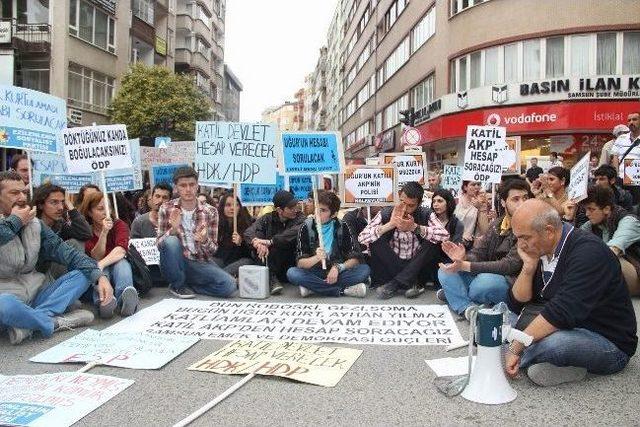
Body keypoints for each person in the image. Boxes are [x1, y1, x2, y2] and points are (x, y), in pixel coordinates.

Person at [505, 199, 637, 387]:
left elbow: (562, 311)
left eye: (525, 237)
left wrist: (516, 347)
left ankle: (500, 356)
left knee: (555, 344)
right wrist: (528, 267)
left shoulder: (589, 252)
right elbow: (516, 304)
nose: (521, 245)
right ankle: (563, 365)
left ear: (549, 231)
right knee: (508, 317)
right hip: (568, 326)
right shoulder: (544, 249)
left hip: (607, 342)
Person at [0, 171, 112, 345]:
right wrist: (15, 221)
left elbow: (67, 252)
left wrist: (100, 276)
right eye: (14, 193)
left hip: (36, 296)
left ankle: (30, 322)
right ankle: (55, 322)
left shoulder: (35, 224)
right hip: (6, 299)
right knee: (4, 304)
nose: (22, 197)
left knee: (83, 273)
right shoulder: (20, 220)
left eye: (23, 191)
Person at [438, 179, 529, 319]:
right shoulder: (498, 223)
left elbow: (510, 265)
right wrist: (463, 258)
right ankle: (467, 308)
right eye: (515, 199)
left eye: (525, 198)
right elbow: (479, 252)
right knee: (445, 270)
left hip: (510, 283)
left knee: (482, 284)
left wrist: (468, 265)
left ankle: (455, 293)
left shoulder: (530, 227)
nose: (522, 204)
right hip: (485, 274)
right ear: (504, 202)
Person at [359, 182, 449, 299]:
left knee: (433, 241)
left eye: (411, 205)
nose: (405, 208)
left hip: (417, 265)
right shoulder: (386, 213)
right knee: (374, 238)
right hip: (392, 265)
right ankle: (409, 282)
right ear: (398, 197)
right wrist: (391, 224)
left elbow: (445, 236)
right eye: (402, 202)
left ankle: (395, 284)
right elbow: (362, 237)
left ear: (419, 204)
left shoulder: (426, 213)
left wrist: (415, 228)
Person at [157, 166, 237, 299]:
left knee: (229, 286)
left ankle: (189, 285)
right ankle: (178, 284)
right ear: (176, 187)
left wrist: (204, 240)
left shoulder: (210, 211)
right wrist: (173, 230)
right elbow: (160, 245)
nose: (188, 189)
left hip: (199, 261)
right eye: (183, 185)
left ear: (197, 186)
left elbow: (212, 251)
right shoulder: (166, 208)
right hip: (176, 261)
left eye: (191, 185)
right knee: (171, 241)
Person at [287, 191, 370, 298]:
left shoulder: (342, 226)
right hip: (314, 271)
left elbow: (354, 259)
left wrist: (337, 268)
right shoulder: (306, 227)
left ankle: (313, 287)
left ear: (334, 214)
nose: (318, 212)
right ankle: (342, 290)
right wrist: (317, 258)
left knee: (364, 270)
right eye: (317, 208)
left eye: (323, 210)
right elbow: (300, 264)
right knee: (292, 273)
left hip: (337, 272)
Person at [79, 191, 138, 318]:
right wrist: (104, 232)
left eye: (108, 208)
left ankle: (125, 300)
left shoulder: (119, 224)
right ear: (90, 212)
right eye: (100, 209)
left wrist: (101, 264)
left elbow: (121, 250)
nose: (106, 212)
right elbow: (96, 256)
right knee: (101, 270)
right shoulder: (86, 230)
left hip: (114, 262)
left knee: (122, 264)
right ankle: (104, 302)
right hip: (99, 264)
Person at [579, 186, 640, 296]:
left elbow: (613, 250)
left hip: (635, 273)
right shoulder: (591, 224)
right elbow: (574, 243)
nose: (587, 214)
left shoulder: (629, 221)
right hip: (612, 278)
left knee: (613, 259)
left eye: (591, 209)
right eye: (586, 209)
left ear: (606, 209)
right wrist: (569, 217)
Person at [244, 190, 305, 294]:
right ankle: (271, 279)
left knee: (276, 244)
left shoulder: (300, 218)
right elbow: (249, 232)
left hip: (291, 260)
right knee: (260, 245)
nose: (295, 209)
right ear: (279, 210)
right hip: (271, 260)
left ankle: (270, 278)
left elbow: (292, 234)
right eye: (291, 208)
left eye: (296, 205)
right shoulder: (267, 218)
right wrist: (257, 243)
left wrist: (271, 241)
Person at [33, 183, 93, 279]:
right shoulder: (32, 225)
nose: (60, 207)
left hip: (57, 273)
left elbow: (86, 234)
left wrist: (71, 207)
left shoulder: (59, 225)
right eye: (54, 202)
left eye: (62, 202)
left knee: (76, 242)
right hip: (37, 275)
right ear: (40, 205)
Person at [130, 183, 173, 286]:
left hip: (170, 271)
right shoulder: (139, 222)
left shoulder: (175, 221)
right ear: (152, 198)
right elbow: (133, 249)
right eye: (157, 196)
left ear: (170, 201)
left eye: (165, 197)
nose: (160, 201)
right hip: (148, 273)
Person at [213, 193, 255, 277]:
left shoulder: (249, 224)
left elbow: (252, 251)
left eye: (236, 205)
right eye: (228, 205)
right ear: (222, 207)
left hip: (242, 260)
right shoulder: (215, 224)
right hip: (222, 260)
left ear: (240, 207)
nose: (232, 208)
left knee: (225, 272)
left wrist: (241, 242)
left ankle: (220, 278)